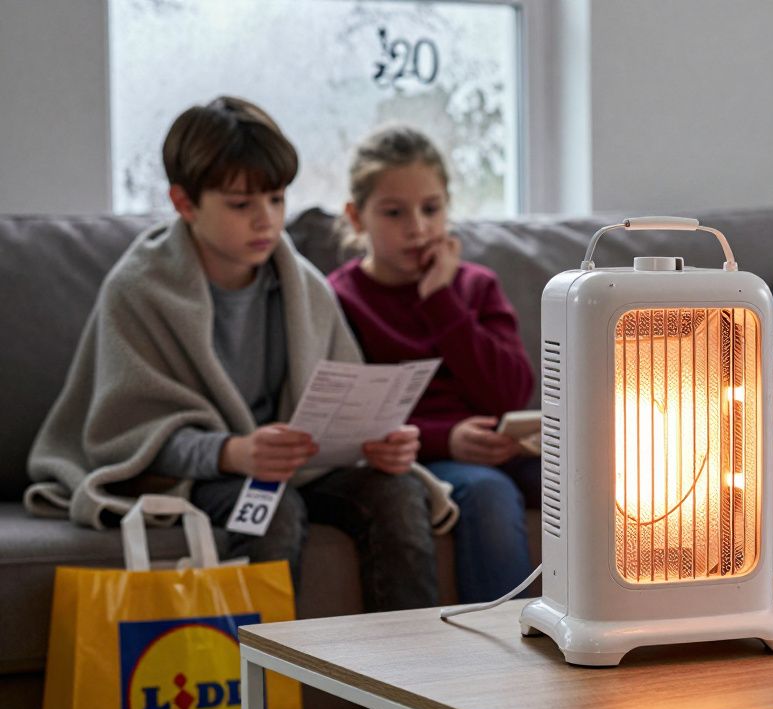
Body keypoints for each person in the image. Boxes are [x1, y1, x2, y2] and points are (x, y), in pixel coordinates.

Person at [25, 97, 455, 614]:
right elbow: (127, 434)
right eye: (240, 204)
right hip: (209, 475)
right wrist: (233, 453)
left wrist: (376, 444)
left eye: (276, 199)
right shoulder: (138, 290)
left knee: (398, 491)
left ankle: (406, 667)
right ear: (184, 203)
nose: (266, 220)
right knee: (271, 509)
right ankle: (260, 670)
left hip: (298, 467)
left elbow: (343, 404)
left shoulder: (305, 288)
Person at [328, 125, 538, 604]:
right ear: (356, 217)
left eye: (431, 209)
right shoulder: (339, 299)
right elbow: (353, 413)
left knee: (593, 478)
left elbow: (510, 394)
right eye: (394, 212)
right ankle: (504, 645)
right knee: (488, 492)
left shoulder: (476, 286)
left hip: (499, 446)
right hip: (420, 455)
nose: (418, 228)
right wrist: (447, 439)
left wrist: (442, 299)